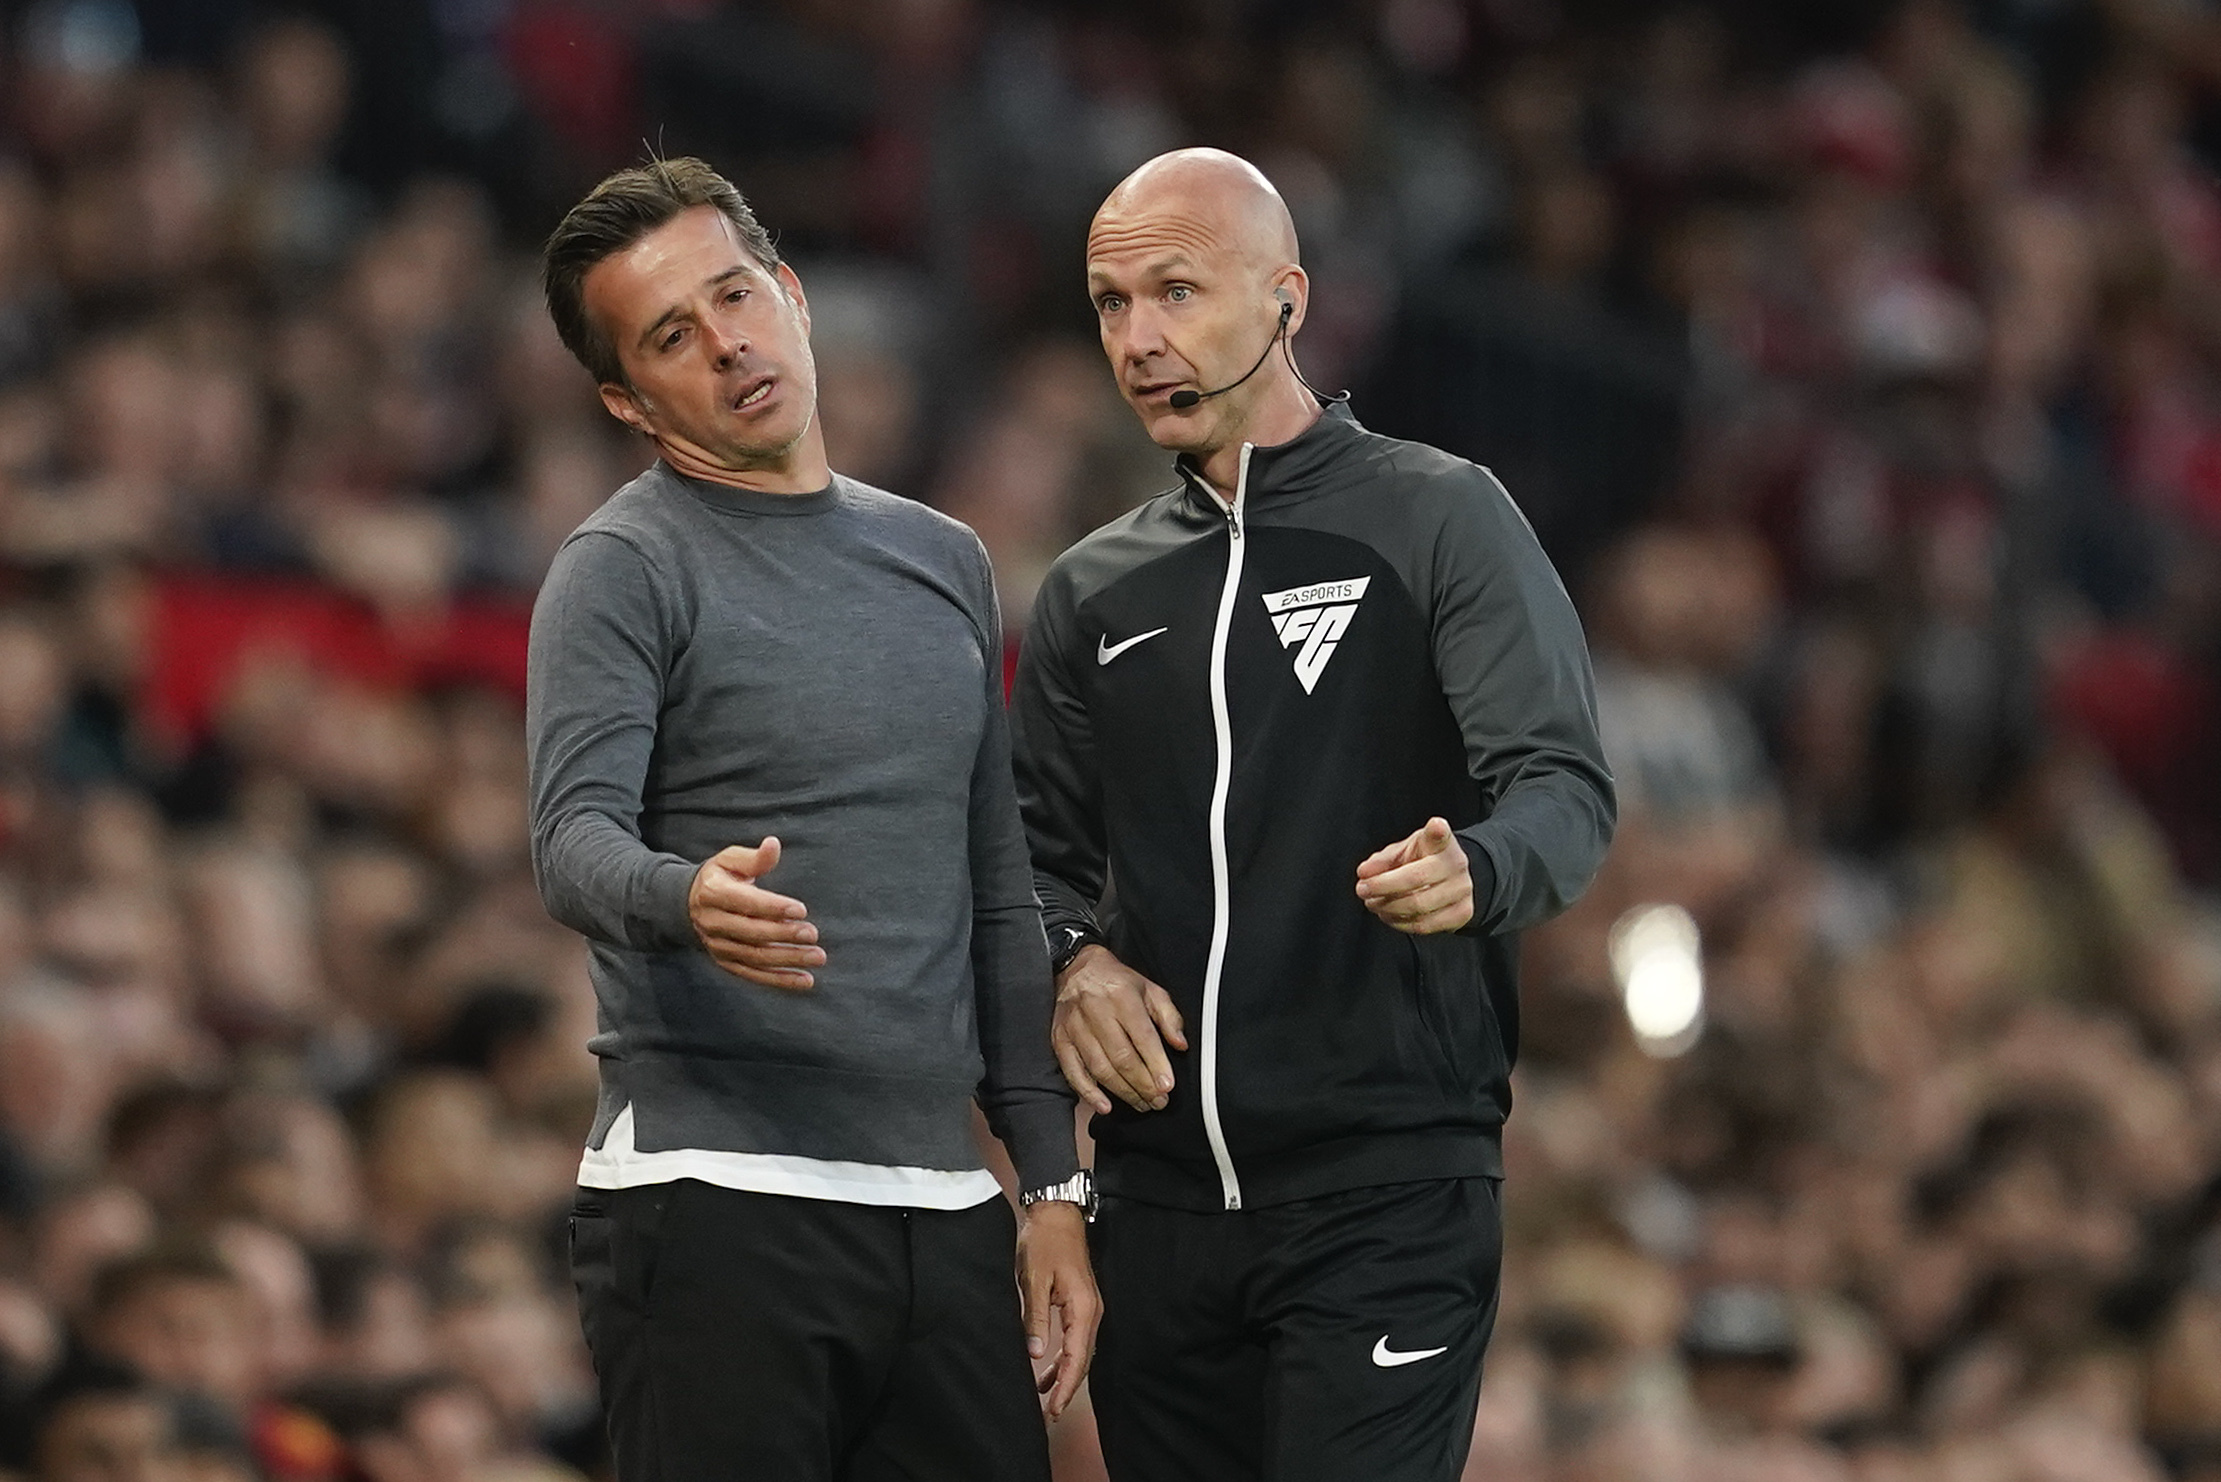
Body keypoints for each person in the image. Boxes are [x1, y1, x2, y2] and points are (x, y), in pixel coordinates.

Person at [1010, 148, 1617, 1482]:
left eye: (1176, 290)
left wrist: (1485, 865)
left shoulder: (1438, 516)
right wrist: (1075, 957)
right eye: (1111, 303)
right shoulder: (1088, 592)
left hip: (1384, 1191)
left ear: (1284, 299)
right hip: (1158, 1206)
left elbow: (1564, 787)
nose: (1139, 337)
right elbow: (1029, 857)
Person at [527, 157, 1096, 1482]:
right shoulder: (622, 565)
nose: (726, 342)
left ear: (788, 292)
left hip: (946, 1211)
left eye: (735, 295)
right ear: (626, 398)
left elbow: (995, 895)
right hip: (714, 1199)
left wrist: (1053, 1188)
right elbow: (569, 837)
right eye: (672, 334)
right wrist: (686, 896)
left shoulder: (946, 558)